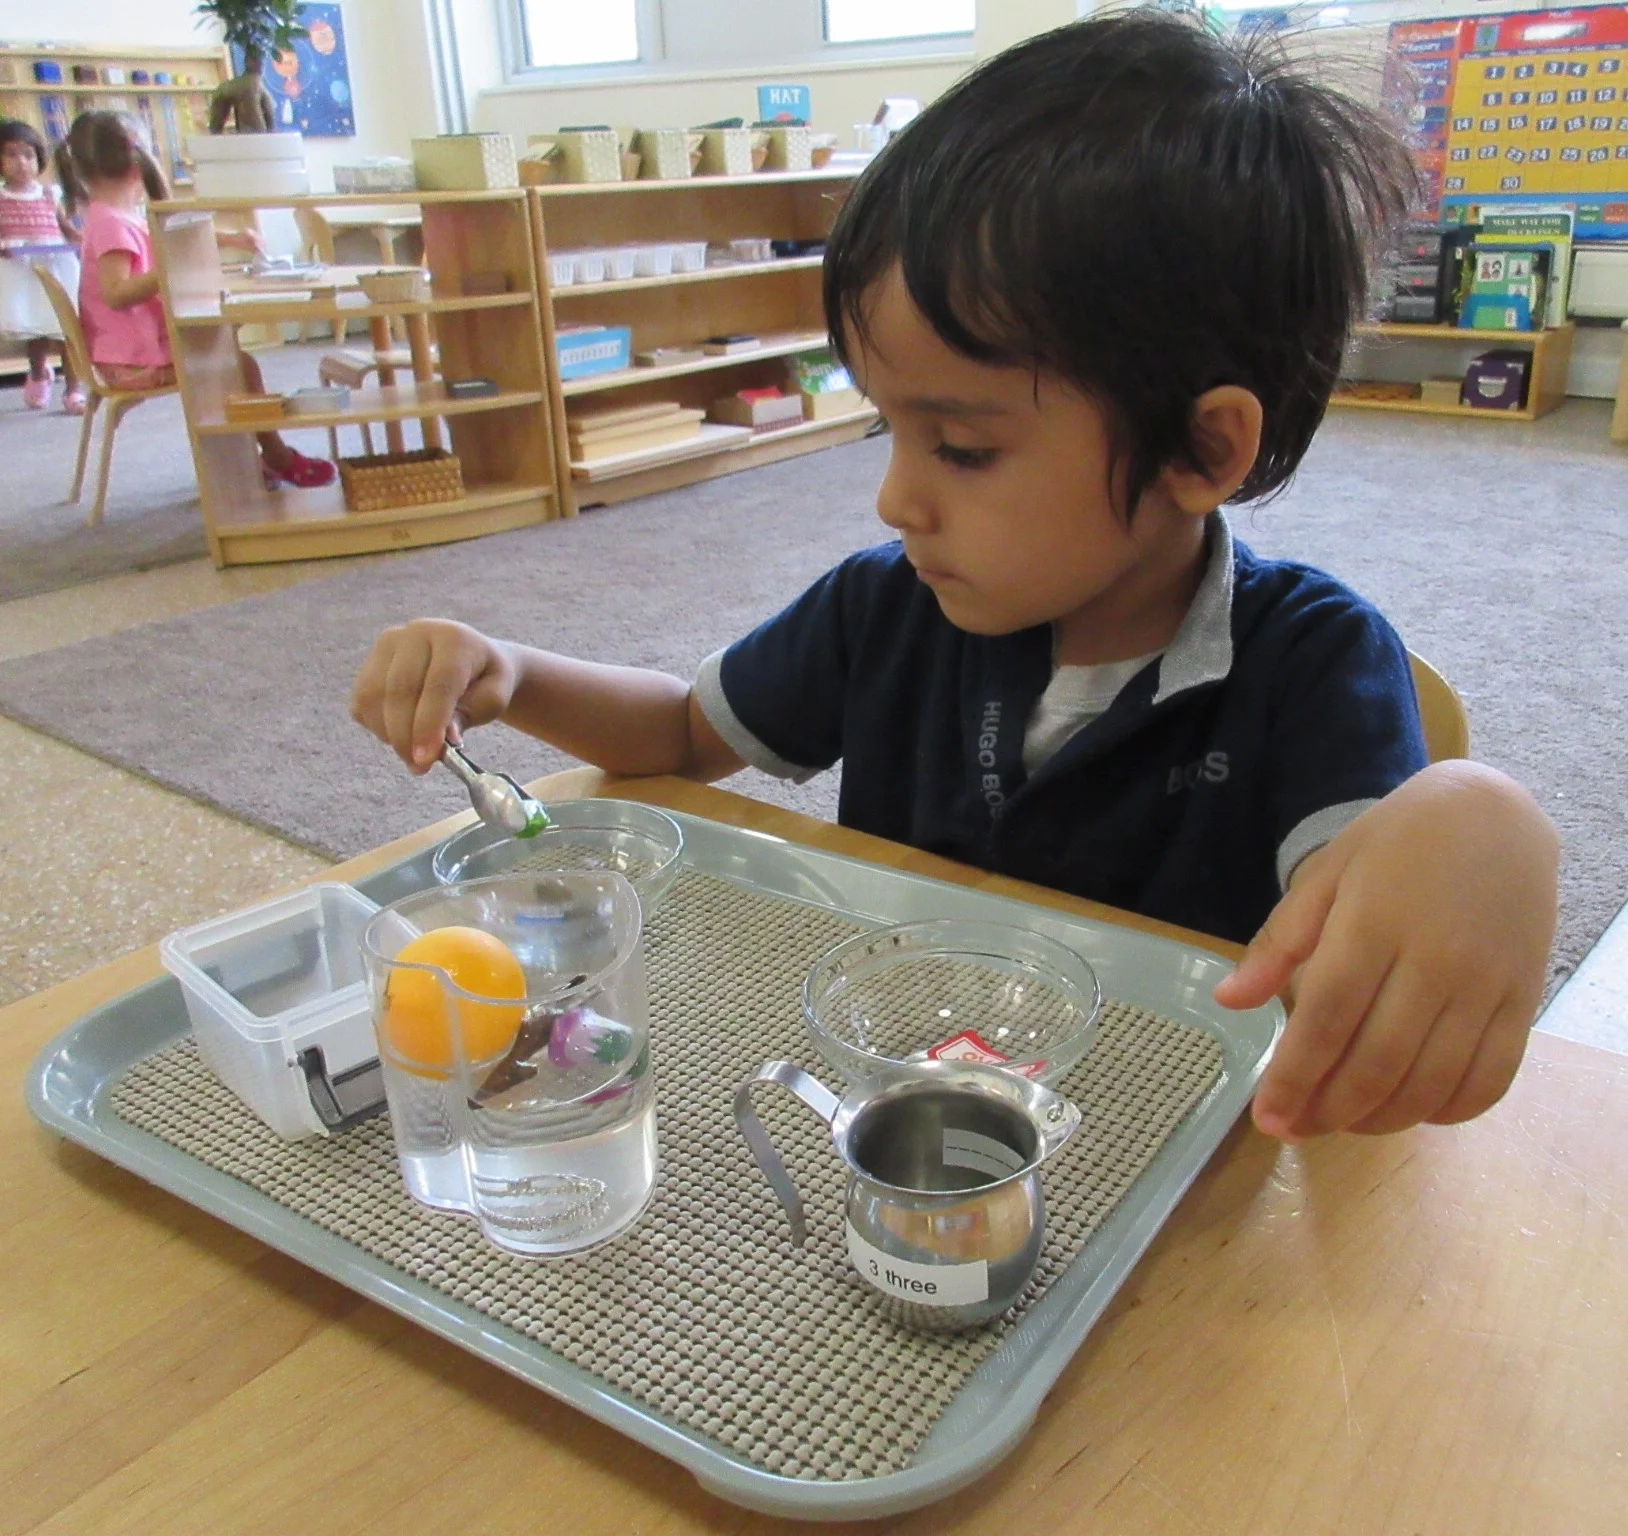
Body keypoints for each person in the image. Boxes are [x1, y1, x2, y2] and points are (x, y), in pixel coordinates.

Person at [351, 14, 1559, 1142]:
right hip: (901, 1115)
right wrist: (510, 673)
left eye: (963, 448)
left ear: (1201, 449)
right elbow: (674, 731)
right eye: (888, 430)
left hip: (1162, 1145)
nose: (896, 500)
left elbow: (1378, 922)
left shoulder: (1310, 664)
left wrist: (1481, 820)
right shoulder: (890, 603)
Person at [53, 111, 334, 489]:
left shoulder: (116, 215)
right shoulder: (111, 225)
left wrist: (231, 238)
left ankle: (257, 455)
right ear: (138, 166)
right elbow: (115, 293)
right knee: (237, 365)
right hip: (132, 362)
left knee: (226, 349)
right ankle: (275, 455)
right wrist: (170, 269)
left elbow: (175, 229)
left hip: (137, 349)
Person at [0, 117, 83, 413]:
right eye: (11, 155)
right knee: (34, 329)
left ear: (39, 159)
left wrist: (79, 237)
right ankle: (38, 373)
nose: (21, 162)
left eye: (28, 155)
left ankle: (74, 389)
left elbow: (64, 225)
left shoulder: (50, 193)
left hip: (56, 264)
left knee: (65, 328)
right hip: (21, 270)